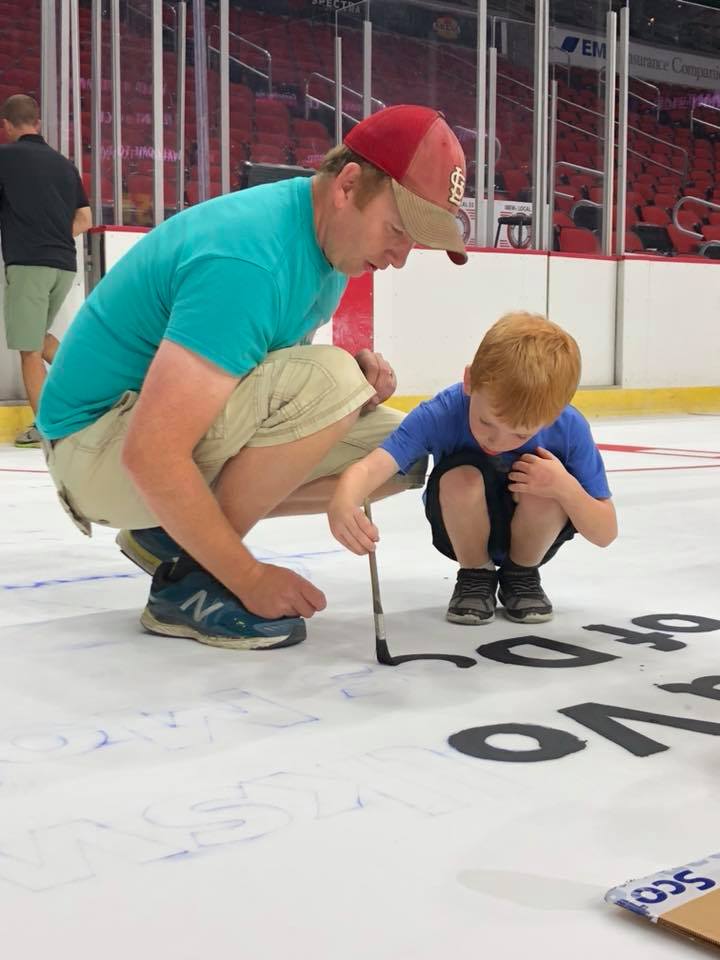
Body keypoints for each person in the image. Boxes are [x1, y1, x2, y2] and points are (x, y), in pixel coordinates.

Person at [36, 104, 468, 649]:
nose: (401, 258)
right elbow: (150, 453)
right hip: (94, 450)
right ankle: (195, 583)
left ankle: (165, 535)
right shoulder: (250, 259)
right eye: (398, 230)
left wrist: (351, 396)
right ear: (348, 185)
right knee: (332, 380)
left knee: (401, 453)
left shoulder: (327, 252)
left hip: (126, 438)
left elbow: (263, 391)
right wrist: (249, 578)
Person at [328, 312, 618, 625]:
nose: (498, 441)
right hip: (461, 528)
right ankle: (475, 574)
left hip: (536, 534)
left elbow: (605, 532)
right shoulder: (442, 412)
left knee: (548, 483)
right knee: (461, 477)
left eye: (520, 435)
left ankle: (521, 574)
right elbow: (372, 467)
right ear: (469, 381)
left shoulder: (570, 427)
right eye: (486, 422)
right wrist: (343, 500)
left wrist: (564, 488)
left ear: (555, 414)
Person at [0, 94, 92, 447]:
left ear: (7, 125)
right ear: (37, 122)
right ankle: (89, 381)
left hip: (29, 264)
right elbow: (85, 218)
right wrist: (54, 236)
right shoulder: (65, 165)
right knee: (37, 336)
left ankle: (45, 426)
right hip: (64, 265)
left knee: (28, 349)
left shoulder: (6, 157)